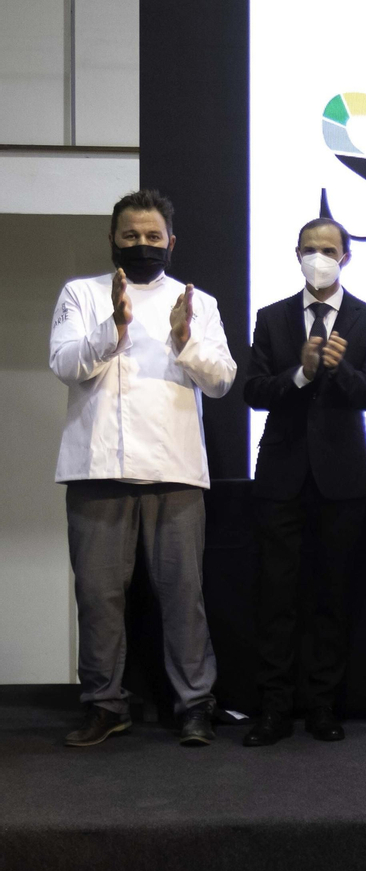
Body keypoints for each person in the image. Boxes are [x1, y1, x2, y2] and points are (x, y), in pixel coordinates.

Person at [49, 189, 236, 747]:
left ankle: (194, 704)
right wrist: (115, 327)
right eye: (131, 235)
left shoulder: (195, 301)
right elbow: (63, 363)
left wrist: (184, 340)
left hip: (175, 470)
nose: (142, 244)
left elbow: (222, 379)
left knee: (183, 594)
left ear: (171, 242)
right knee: (98, 596)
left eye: (153, 236)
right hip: (97, 468)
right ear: (114, 239)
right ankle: (105, 704)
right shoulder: (82, 294)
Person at [239, 218, 366, 746]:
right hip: (281, 475)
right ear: (295, 254)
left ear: (346, 256)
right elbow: (254, 391)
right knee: (276, 597)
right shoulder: (273, 317)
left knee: (333, 596)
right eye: (309, 249)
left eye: (328, 249)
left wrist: (337, 366)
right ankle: (274, 710)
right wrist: (301, 373)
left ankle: (323, 707)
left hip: (342, 479)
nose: (318, 257)